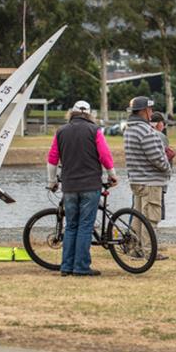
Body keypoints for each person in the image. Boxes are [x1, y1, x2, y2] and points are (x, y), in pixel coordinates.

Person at [47, 100, 118, 276]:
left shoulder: (61, 131)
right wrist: (112, 174)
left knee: (71, 226)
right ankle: (81, 267)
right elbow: (104, 155)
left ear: (72, 112)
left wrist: (51, 181)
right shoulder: (95, 131)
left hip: (69, 185)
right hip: (90, 184)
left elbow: (52, 158)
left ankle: (66, 266)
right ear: (89, 114)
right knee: (85, 226)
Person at [123, 96, 171, 260]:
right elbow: (157, 158)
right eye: (149, 109)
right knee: (151, 217)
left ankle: (136, 249)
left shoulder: (129, 129)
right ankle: (149, 251)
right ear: (144, 111)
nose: (151, 112)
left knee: (138, 216)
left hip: (136, 179)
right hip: (150, 181)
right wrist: (167, 168)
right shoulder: (146, 131)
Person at [150, 111, 175, 223]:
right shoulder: (161, 136)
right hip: (157, 179)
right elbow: (164, 159)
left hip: (141, 179)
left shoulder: (144, 133)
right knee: (155, 212)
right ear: (160, 123)